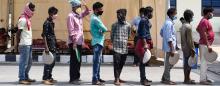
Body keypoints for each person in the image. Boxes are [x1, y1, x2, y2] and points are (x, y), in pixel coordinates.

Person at [67, 0, 90, 84]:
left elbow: (87, 12)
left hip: (80, 42)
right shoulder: (71, 16)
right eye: (78, 6)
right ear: (73, 7)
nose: (80, 8)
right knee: (74, 60)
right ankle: (72, 79)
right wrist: (74, 43)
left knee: (78, 60)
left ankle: (77, 76)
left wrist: (85, 5)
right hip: (74, 42)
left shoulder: (78, 15)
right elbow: (71, 30)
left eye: (80, 7)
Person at [16, 2, 36, 85]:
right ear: (28, 9)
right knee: (23, 62)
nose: (33, 11)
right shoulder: (23, 19)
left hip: (29, 43)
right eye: (32, 9)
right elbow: (18, 33)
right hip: (24, 44)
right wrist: (17, 44)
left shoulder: (27, 19)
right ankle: (21, 78)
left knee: (30, 62)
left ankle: (26, 76)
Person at [111, 9, 131, 85]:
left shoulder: (128, 25)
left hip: (124, 48)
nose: (118, 16)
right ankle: (116, 79)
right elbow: (112, 36)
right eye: (117, 14)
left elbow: (128, 35)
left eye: (120, 14)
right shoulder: (114, 25)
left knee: (122, 63)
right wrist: (115, 43)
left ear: (124, 15)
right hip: (116, 48)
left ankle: (118, 77)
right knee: (116, 63)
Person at [90, 2, 107, 85]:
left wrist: (101, 30)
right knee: (96, 62)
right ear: (96, 10)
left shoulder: (95, 17)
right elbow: (105, 28)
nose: (102, 10)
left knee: (98, 61)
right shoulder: (95, 19)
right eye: (100, 9)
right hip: (97, 42)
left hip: (98, 41)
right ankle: (95, 79)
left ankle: (98, 77)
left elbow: (101, 29)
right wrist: (102, 30)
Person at [197, 7, 215, 85]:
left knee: (205, 62)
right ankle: (202, 80)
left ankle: (205, 78)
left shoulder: (204, 20)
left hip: (204, 44)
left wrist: (203, 35)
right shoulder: (204, 21)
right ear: (208, 13)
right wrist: (208, 45)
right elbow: (203, 32)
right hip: (205, 45)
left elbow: (198, 29)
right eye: (211, 12)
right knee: (204, 62)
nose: (212, 14)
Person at [41, 6, 58, 85]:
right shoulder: (46, 23)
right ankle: (45, 78)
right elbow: (44, 35)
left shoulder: (51, 22)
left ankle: (49, 77)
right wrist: (46, 47)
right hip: (49, 46)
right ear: (51, 14)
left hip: (53, 45)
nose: (56, 15)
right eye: (55, 14)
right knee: (48, 63)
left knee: (53, 62)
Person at [160, 8, 177, 85]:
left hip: (169, 46)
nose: (175, 15)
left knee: (170, 63)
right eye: (175, 14)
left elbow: (161, 33)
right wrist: (172, 48)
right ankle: (166, 79)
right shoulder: (168, 23)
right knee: (169, 63)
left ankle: (164, 78)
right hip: (169, 47)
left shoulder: (168, 22)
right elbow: (169, 36)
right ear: (171, 14)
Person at [136, 6, 153, 85]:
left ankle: (144, 78)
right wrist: (145, 44)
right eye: (151, 12)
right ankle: (143, 80)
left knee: (144, 61)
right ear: (148, 13)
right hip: (142, 43)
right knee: (142, 62)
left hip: (144, 42)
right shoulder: (143, 20)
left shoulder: (146, 20)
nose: (152, 14)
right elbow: (142, 34)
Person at [180, 10, 196, 84]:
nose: (192, 18)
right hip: (189, 48)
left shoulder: (183, 25)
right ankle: (186, 80)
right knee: (189, 64)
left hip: (184, 47)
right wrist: (192, 49)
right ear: (189, 17)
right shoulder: (188, 26)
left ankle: (187, 78)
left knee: (186, 63)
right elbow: (189, 40)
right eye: (192, 16)